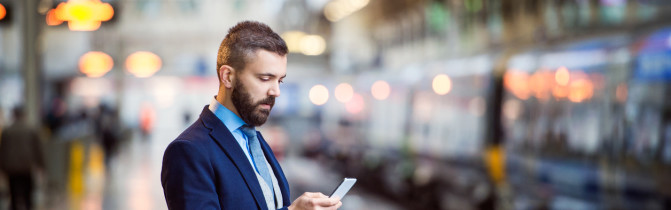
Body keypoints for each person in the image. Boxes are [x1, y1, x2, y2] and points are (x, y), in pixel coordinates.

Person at [161, 21, 342, 210]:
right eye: (265, 78)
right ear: (228, 77)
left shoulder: (254, 139)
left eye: (280, 80)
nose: (276, 91)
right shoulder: (188, 151)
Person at [0, 107, 44, 210]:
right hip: (26, 167)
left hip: (11, 169)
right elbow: (38, 149)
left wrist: (2, 168)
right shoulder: (31, 130)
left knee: (14, 196)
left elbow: (2, 151)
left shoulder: (7, 131)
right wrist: (41, 166)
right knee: (27, 195)